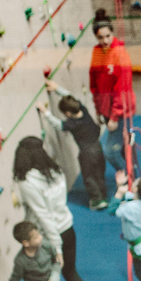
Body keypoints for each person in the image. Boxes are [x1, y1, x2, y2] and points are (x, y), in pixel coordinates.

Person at [13, 136, 86, 281]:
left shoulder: (27, 182)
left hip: (48, 236)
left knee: (44, 280)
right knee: (70, 272)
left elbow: (43, 215)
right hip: (67, 227)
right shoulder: (55, 171)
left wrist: (56, 246)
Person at [41, 79, 110, 210]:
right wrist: (57, 88)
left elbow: (58, 124)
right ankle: (103, 195)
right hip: (97, 148)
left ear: (67, 114)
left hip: (86, 152)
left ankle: (97, 200)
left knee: (89, 176)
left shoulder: (72, 124)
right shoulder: (83, 110)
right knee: (99, 174)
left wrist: (46, 113)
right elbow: (73, 98)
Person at [89, 9, 136, 175]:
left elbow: (122, 88)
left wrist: (115, 116)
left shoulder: (120, 54)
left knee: (110, 151)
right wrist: (98, 109)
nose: (105, 40)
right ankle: (134, 176)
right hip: (106, 109)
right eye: (100, 37)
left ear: (112, 33)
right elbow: (94, 83)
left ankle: (129, 179)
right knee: (123, 147)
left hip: (120, 111)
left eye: (108, 36)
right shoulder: (97, 52)